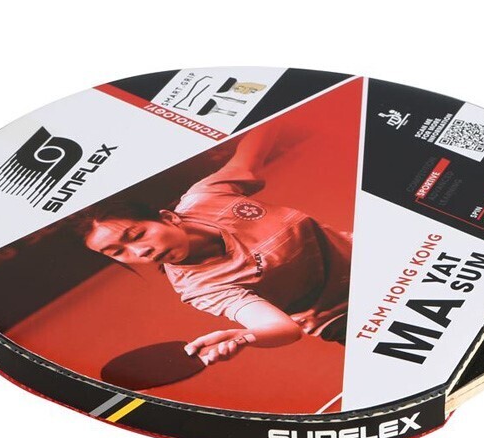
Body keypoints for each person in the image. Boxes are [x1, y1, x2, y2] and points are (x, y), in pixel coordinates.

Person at [78, 124, 351, 364]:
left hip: (367, 256)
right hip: (343, 317)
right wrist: (245, 336)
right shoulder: (199, 287)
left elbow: (251, 153)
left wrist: (286, 110)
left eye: (137, 235)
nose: (140, 252)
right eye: (118, 252)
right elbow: (282, 328)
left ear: (168, 217)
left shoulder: (207, 197)